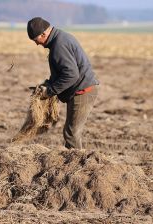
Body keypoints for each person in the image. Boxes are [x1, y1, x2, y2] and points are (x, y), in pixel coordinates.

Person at [27, 17, 99, 149]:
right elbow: (64, 71)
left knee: (71, 133)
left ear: (43, 34)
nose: (37, 44)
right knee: (71, 131)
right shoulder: (60, 38)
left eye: (36, 40)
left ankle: (77, 165)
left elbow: (71, 75)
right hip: (81, 89)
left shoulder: (59, 45)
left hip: (83, 91)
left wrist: (49, 91)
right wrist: (48, 83)